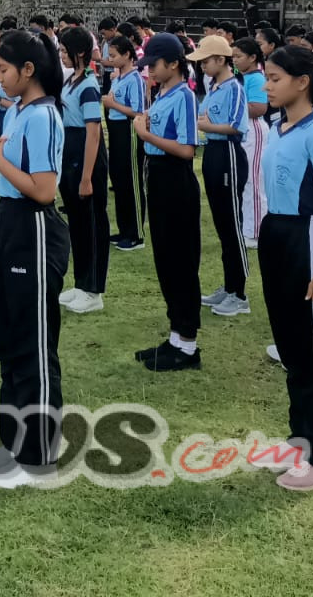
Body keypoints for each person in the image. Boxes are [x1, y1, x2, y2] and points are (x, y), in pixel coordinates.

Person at [0, 30, 72, 489]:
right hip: (9, 221)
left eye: (3, 69)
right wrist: (2, 152)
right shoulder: (17, 111)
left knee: (33, 341)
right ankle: (14, 439)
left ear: (28, 70)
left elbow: (44, 190)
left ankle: (38, 455)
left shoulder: (44, 115)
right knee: (9, 334)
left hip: (34, 228)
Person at [258, 45, 313, 491]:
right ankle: (301, 442)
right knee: (291, 349)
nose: (267, 86)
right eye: (266, 77)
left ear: (302, 81)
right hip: (277, 232)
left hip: (307, 237)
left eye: (275, 78)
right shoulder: (279, 127)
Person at [132, 32, 203, 371]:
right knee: (164, 259)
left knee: (180, 261)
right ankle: (176, 336)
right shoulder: (161, 93)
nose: (150, 71)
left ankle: (188, 343)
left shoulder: (184, 96)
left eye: (155, 65)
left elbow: (187, 150)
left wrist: (146, 134)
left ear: (174, 64)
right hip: (158, 176)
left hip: (176, 179)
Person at [194, 35, 251, 318]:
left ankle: (239, 293)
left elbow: (237, 126)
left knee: (232, 224)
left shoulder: (234, 88)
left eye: (206, 61)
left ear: (221, 59)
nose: (203, 66)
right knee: (221, 223)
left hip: (228, 153)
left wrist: (209, 126)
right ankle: (228, 286)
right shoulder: (213, 86)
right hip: (213, 153)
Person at [58, 27, 110, 314]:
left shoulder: (89, 85)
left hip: (85, 153)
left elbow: (93, 132)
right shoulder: (71, 80)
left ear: (79, 53)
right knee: (77, 223)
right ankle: (81, 283)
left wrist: (87, 177)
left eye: (64, 50)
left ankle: (93, 290)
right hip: (70, 151)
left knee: (92, 223)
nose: (61, 55)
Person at [101, 35, 146, 251]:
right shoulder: (118, 78)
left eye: (114, 56)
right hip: (116, 130)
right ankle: (124, 229)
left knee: (132, 182)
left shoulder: (135, 79)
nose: (111, 60)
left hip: (129, 131)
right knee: (119, 180)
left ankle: (136, 234)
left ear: (127, 55)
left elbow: (138, 111)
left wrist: (113, 104)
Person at [234, 38, 270, 250]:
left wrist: (232, 106)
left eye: (239, 56)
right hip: (243, 130)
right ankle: (248, 226)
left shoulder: (256, 78)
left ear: (252, 57)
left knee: (253, 181)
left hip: (253, 129)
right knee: (244, 181)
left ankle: (256, 232)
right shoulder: (242, 77)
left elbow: (258, 108)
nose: (235, 60)